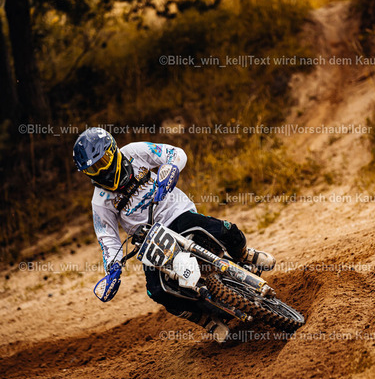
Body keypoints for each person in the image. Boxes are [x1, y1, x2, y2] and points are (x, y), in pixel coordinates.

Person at [73, 127, 275, 340]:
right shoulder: (100, 201)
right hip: (148, 241)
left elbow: (175, 153)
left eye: (103, 161)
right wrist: (113, 269)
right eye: (93, 169)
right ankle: (205, 320)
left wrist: (170, 170)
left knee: (223, 229)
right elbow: (107, 237)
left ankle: (244, 254)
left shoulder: (134, 152)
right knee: (156, 291)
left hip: (175, 213)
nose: (101, 170)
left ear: (113, 151)